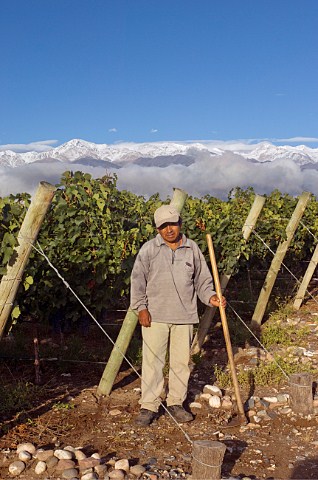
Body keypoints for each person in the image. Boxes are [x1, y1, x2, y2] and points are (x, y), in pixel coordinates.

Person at [130, 204, 226, 426]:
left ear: (180, 224)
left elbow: (202, 281)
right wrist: (141, 308)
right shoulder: (148, 250)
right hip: (155, 316)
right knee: (152, 362)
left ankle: (175, 403)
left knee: (181, 363)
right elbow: (137, 281)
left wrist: (211, 297)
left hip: (184, 316)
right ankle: (149, 406)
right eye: (163, 226)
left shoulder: (192, 250)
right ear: (157, 229)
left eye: (172, 224)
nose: (169, 229)